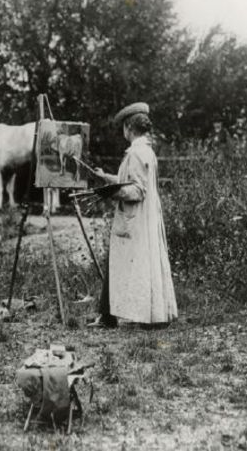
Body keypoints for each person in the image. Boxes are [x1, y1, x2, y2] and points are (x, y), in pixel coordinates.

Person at [90, 102, 177, 327]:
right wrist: (106, 177)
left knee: (133, 263)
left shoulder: (136, 154)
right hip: (145, 218)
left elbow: (137, 190)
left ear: (129, 128)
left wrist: (110, 193)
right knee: (139, 263)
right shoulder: (145, 151)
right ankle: (139, 316)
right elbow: (131, 180)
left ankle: (139, 317)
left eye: (123, 128)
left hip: (136, 219)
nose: (123, 132)